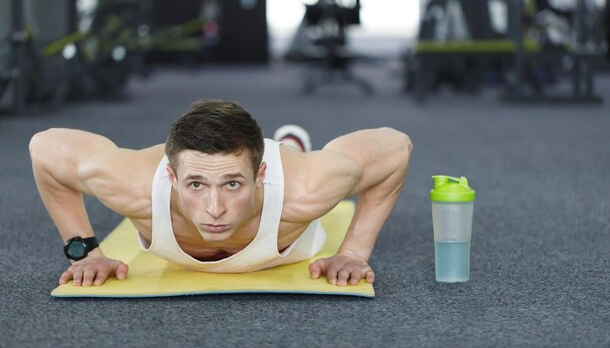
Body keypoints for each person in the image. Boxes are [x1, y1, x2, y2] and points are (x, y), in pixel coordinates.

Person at [30, 100, 412, 287]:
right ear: (171, 176)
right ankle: (285, 144)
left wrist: (353, 252)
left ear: (261, 176)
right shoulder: (134, 186)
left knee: (300, 158)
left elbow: (395, 148)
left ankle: (290, 145)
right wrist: (83, 251)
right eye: (196, 184)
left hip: (293, 213)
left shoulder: (306, 189)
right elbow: (44, 148)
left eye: (233, 184)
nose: (215, 209)